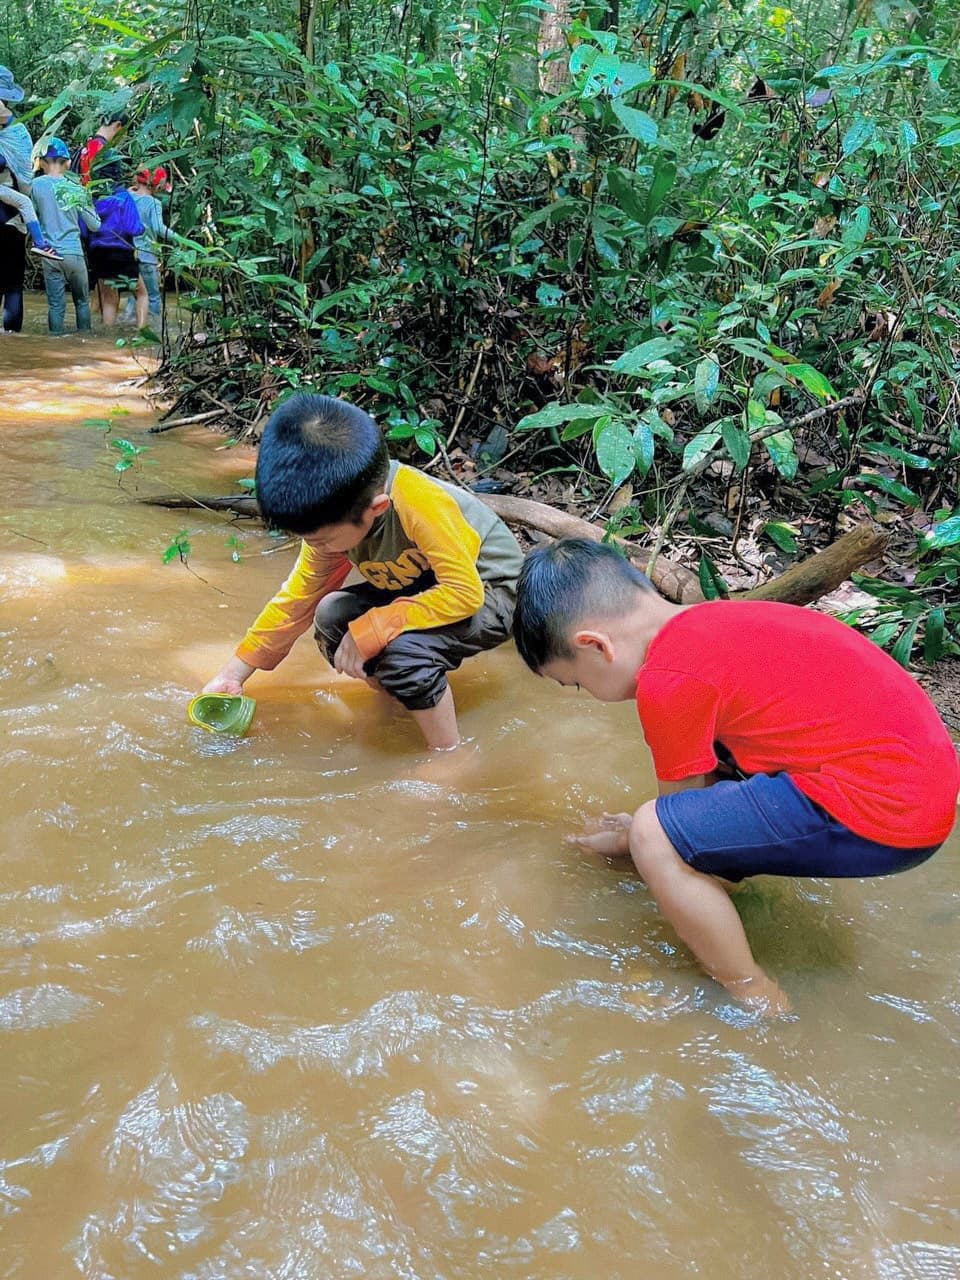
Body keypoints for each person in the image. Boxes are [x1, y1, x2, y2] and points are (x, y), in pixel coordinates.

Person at [513, 538, 959, 1014]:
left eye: (577, 683)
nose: (587, 692)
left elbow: (674, 820)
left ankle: (752, 992)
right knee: (699, 788)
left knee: (653, 832)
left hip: (886, 815)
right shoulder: (712, 622)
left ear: (595, 646)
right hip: (925, 788)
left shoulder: (668, 681)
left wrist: (630, 842)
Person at [202, 394, 524, 751]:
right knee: (332, 616)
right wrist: (233, 674)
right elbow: (298, 600)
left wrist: (373, 629)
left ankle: (449, 751)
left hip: (491, 591)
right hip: (421, 586)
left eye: (323, 540)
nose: (318, 548)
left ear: (377, 509)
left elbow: (464, 593)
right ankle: (397, 697)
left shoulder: (419, 502)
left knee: (401, 649)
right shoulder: (335, 517)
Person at [31, 138, 101, 334]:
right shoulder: (76, 188)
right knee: (82, 302)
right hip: (74, 254)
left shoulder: (34, 186)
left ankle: (55, 341)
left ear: (42, 161)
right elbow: (95, 225)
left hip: (50, 255)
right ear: (67, 162)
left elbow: (31, 217)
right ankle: (84, 341)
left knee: (55, 306)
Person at [0, 65, 41, 330]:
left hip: (11, 218)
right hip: (13, 218)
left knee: (13, 284)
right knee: (12, 284)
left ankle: (11, 340)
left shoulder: (17, 134)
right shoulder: (20, 131)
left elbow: (26, 181)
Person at [84, 156, 144, 326]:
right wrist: (143, 229)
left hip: (98, 252)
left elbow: (84, 227)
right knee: (142, 294)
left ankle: (107, 336)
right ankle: (142, 333)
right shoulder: (123, 196)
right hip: (121, 250)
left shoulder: (91, 197)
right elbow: (133, 228)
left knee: (109, 297)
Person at [128, 165, 175, 327]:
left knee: (135, 294)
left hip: (128, 254)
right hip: (147, 255)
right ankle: (154, 329)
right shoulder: (153, 203)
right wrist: (179, 239)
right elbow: (158, 228)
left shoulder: (128, 197)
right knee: (153, 295)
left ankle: (127, 324)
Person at [75, 112, 128, 186]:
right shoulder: (109, 153)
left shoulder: (84, 146)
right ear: (118, 125)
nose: (124, 136)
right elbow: (113, 187)